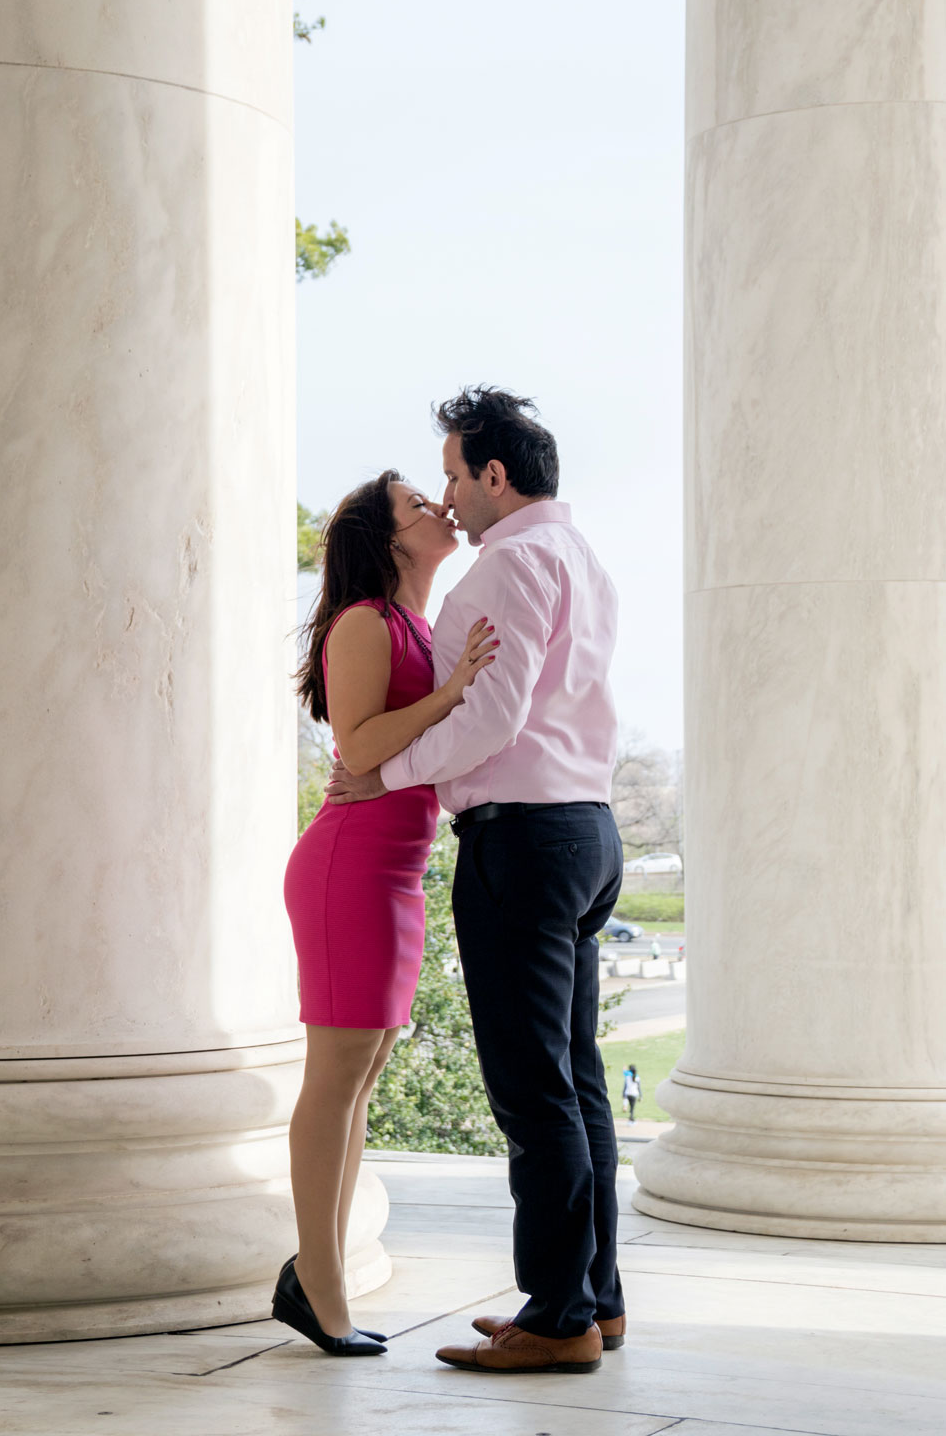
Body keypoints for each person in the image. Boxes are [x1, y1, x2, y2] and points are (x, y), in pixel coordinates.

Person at [328, 387, 627, 1375]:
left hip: (525, 841)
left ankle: (557, 1317)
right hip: (585, 832)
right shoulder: (579, 556)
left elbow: (492, 719)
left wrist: (382, 775)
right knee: (576, 1082)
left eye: (454, 474)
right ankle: (593, 1301)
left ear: (494, 474)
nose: (449, 495)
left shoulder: (506, 565)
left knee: (533, 1092)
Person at [273, 469, 498, 1357]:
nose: (438, 506)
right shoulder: (364, 621)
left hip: (395, 872)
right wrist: (452, 691)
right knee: (334, 1079)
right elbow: (359, 746)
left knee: (361, 1078)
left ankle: (317, 1272)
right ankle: (318, 1284)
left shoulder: (415, 626)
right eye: (416, 502)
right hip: (349, 869)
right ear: (388, 536)